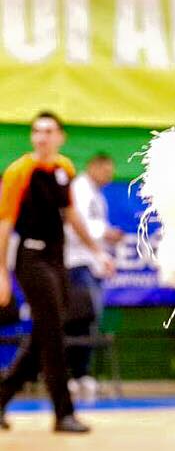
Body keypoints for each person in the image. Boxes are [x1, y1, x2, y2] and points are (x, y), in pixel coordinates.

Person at [0, 112, 113, 432]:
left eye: (49, 131)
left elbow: (72, 214)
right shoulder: (19, 172)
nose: (42, 137)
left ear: (60, 137)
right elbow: (5, 224)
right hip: (30, 258)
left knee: (45, 333)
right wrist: (2, 273)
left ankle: (2, 395)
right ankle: (64, 413)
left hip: (56, 258)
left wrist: (97, 252)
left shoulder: (64, 169)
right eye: (37, 131)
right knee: (52, 337)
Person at [64, 152, 123, 400]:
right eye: (105, 171)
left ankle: (82, 374)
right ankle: (71, 375)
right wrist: (104, 234)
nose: (109, 176)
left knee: (90, 322)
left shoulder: (97, 195)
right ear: (92, 167)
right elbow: (75, 225)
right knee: (76, 321)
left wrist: (104, 252)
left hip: (92, 264)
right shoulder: (79, 189)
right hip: (78, 264)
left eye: (111, 173)